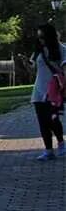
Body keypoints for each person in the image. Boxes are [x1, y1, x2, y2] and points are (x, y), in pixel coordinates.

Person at [30, 23, 66, 161]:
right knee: (42, 121)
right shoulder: (39, 51)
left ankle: (61, 143)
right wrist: (26, 64)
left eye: (43, 37)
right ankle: (48, 150)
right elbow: (33, 70)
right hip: (39, 90)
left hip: (54, 90)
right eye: (39, 37)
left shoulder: (61, 49)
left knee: (53, 119)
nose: (40, 40)